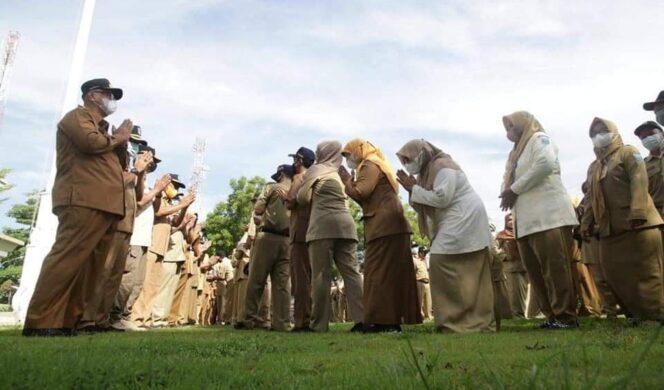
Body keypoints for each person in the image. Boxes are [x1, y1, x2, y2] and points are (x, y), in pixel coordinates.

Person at [23, 78, 132, 337]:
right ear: (93, 95)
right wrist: (118, 137)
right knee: (67, 259)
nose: (112, 100)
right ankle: (41, 320)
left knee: (90, 269)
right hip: (82, 199)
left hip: (105, 205)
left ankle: (67, 321)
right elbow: (90, 144)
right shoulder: (76, 117)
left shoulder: (104, 130)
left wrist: (119, 142)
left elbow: (117, 167)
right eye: (108, 94)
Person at [396, 139, 494, 333]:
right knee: (447, 264)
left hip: (464, 217)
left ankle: (471, 321)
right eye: (403, 161)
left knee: (444, 261)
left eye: (409, 158)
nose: (407, 164)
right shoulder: (426, 174)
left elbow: (442, 198)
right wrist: (412, 189)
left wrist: (414, 189)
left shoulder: (443, 167)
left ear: (421, 154)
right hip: (455, 219)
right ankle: (453, 321)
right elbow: (422, 204)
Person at [499, 111, 579, 329]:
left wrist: (513, 189)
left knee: (555, 269)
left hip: (548, 217)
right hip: (525, 222)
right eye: (506, 128)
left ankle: (566, 317)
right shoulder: (514, 154)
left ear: (523, 124)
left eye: (511, 126)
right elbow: (506, 180)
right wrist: (506, 191)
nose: (508, 132)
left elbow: (544, 164)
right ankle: (551, 315)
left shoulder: (539, 139)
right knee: (536, 273)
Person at [581, 117, 664, 323]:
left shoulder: (628, 153)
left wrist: (637, 211)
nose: (599, 136)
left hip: (638, 224)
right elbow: (591, 197)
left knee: (646, 273)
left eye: (603, 130)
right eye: (594, 133)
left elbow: (639, 179)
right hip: (610, 229)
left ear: (614, 131)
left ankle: (655, 316)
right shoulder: (594, 167)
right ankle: (634, 315)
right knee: (614, 274)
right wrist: (586, 223)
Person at [340, 138, 421, 332]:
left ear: (359, 151)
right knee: (388, 274)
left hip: (384, 226)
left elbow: (361, 192)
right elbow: (368, 199)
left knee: (378, 273)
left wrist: (346, 180)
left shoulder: (369, 164)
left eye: (348, 154)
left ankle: (384, 322)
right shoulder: (377, 164)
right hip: (391, 225)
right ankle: (388, 321)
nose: (347, 160)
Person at [78, 131, 155, 332]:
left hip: (128, 223)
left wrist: (139, 173)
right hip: (114, 219)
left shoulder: (134, 169)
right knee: (103, 271)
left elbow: (137, 196)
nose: (137, 150)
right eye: (133, 143)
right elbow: (112, 184)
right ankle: (87, 318)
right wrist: (137, 172)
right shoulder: (113, 158)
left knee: (114, 276)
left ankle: (103, 320)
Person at [296, 141, 364, 332]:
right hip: (347, 226)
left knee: (320, 276)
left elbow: (303, 198)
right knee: (352, 274)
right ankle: (362, 319)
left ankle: (319, 324)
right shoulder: (341, 172)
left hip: (322, 226)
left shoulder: (317, 169)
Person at [236, 164, 293, 331]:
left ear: (281, 174)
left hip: (267, 236)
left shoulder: (271, 187)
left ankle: (247, 319)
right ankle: (281, 323)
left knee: (257, 280)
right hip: (288, 240)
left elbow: (258, 209)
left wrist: (259, 219)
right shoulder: (297, 191)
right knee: (282, 284)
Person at [276, 147, 316, 332]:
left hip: (299, 232)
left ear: (299, 161)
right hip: (311, 231)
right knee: (309, 278)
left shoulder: (300, 178)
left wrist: (285, 198)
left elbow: (291, 201)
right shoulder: (315, 177)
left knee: (300, 280)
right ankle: (309, 317)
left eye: (296, 160)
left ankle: (302, 321)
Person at [496, 214, 528, 318]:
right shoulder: (501, 235)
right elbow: (495, 250)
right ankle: (517, 315)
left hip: (524, 267)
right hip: (511, 268)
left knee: (526, 293)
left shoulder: (522, 233)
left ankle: (526, 314)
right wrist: (505, 256)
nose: (510, 221)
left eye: (512, 219)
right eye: (508, 220)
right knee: (514, 294)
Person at [634, 121, 664, 218]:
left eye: (651, 134)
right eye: (644, 138)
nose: (648, 139)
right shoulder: (642, 166)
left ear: (662, 133)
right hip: (657, 216)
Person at [413, 247, 432, 320]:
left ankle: (428, 316)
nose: (425, 254)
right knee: (420, 301)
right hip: (419, 282)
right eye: (424, 252)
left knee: (428, 300)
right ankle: (420, 316)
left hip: (427, 282)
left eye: (425, 253)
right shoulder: (415, 261)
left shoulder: (424, 261)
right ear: (420, 253)